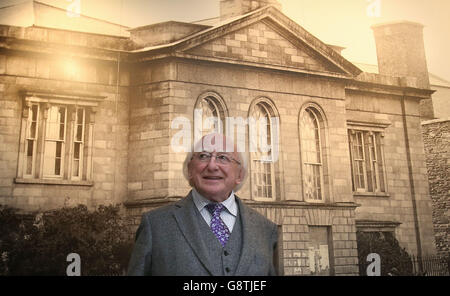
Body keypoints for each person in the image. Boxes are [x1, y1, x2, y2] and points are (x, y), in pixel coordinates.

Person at [127, 133, 278, 276]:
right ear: (189, 169)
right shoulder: (155, 225)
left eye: (223, 157)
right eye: (203, 156)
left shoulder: (265, 229)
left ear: (240, 174)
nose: (212, 166)